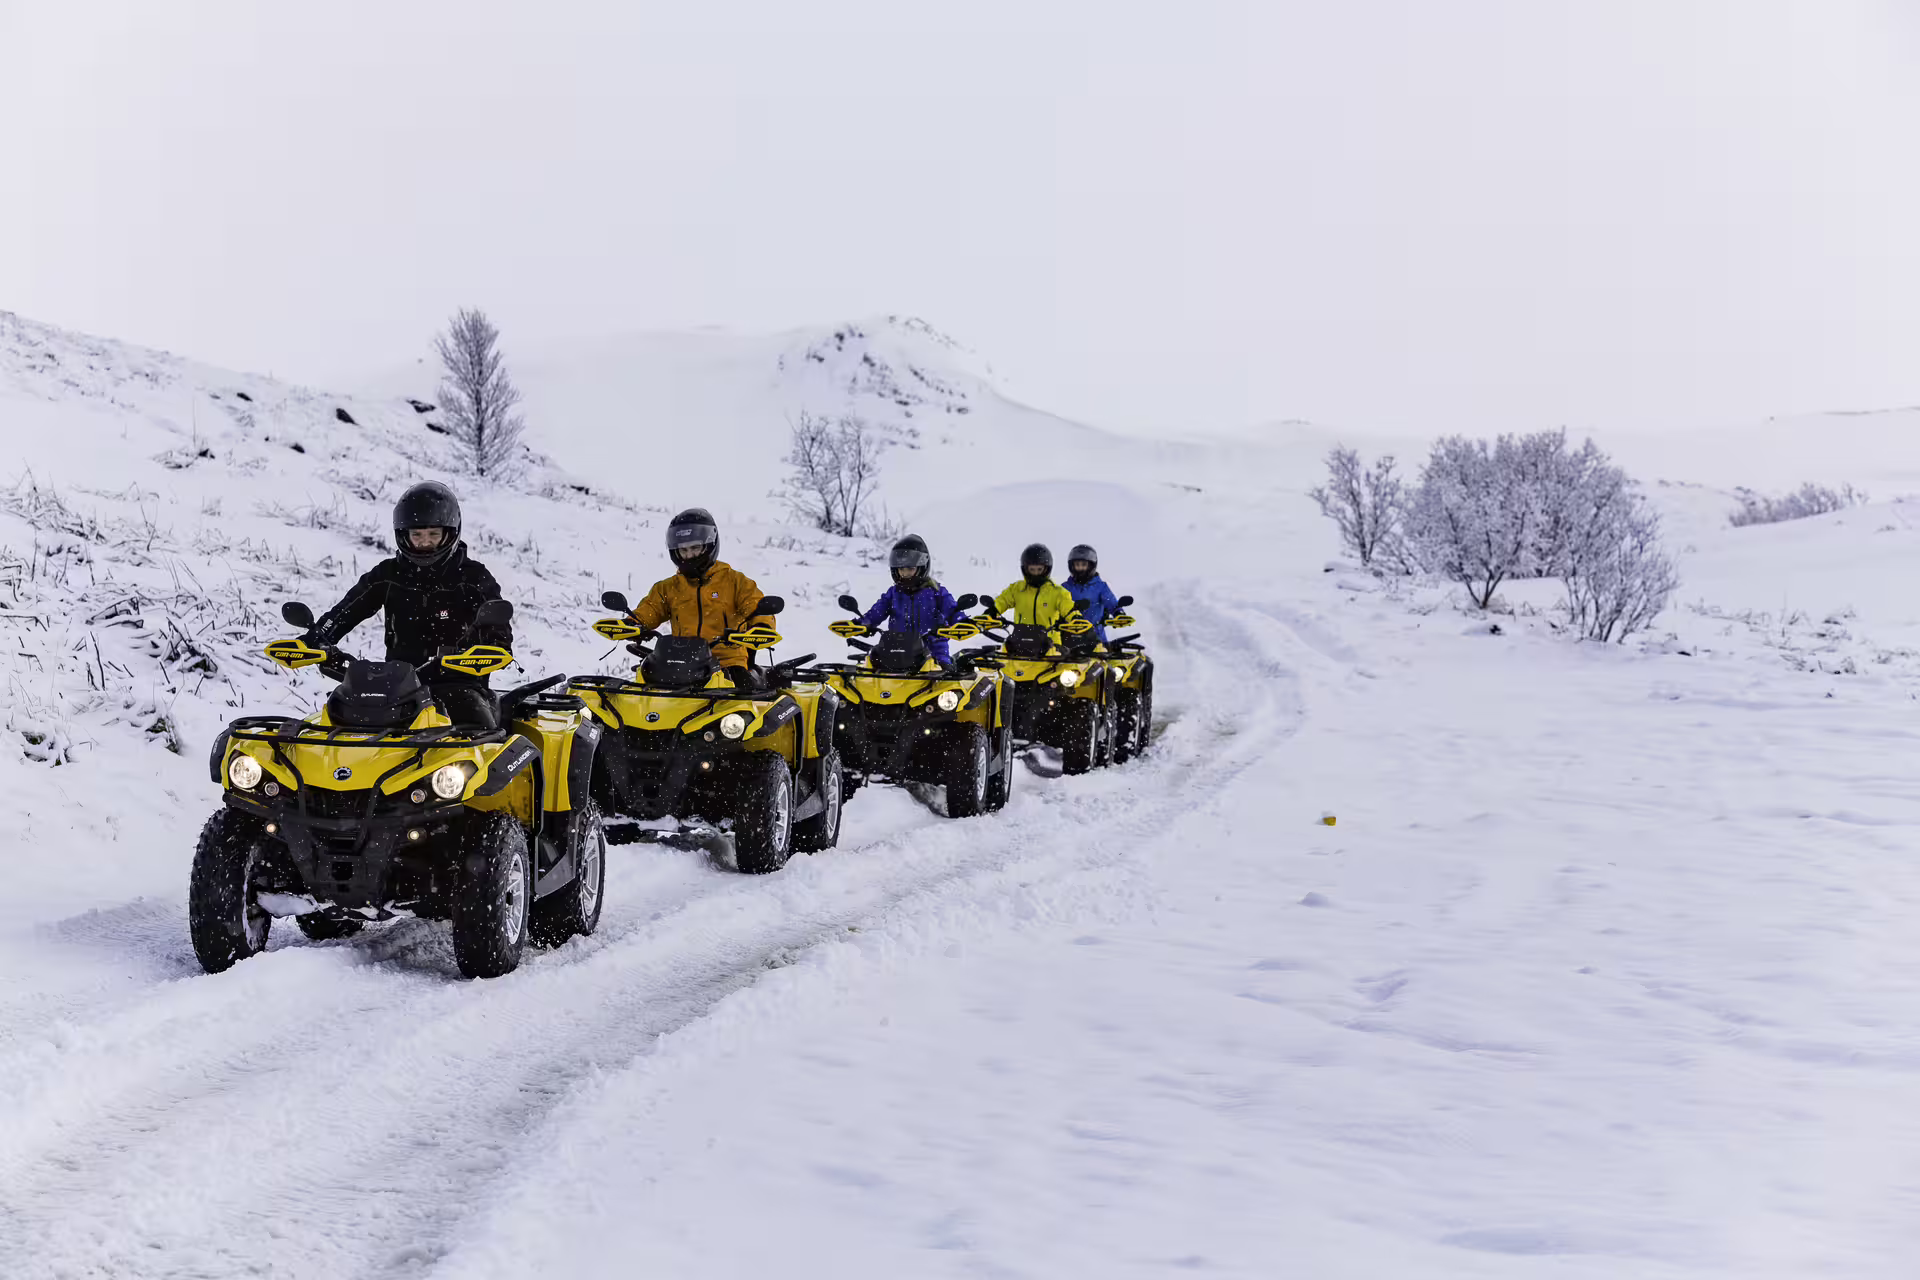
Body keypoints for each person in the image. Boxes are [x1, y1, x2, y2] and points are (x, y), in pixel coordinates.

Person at [308, 481, 511, 728]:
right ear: (404, 535)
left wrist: (491, 648)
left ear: (450, 533)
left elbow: (498, 627)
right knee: (338, 719)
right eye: (417, 535)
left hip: (459, 685)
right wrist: (317, 638)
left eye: (433, 535)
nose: (424, 543)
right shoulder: (388, 574)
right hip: (398, 688)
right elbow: (346, 611)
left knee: (475, 728)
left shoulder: (474, 578)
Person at [629, 507, 775, 688]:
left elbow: (755, 606)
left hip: (727, 664)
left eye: (695, 548)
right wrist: (633, 623)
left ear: (710, 544)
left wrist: (761, 627)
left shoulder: (735, 582)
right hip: (681, 664)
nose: (689, 555)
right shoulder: (668, 587)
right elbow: (650, 610)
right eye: (683, 550)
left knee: (746, 699)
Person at [856, 534, 967, 666]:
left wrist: (962, 622)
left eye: (910, 569)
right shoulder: (893, 593)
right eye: (901, 569)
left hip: (933, 654)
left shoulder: (936, 592)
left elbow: (952, 611)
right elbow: (876, 613)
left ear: (922, 567)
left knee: (945, 681)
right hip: (898, 652)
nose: (905, 573)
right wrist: (863, 624)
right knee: (870, 670)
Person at [992, 542, 1078, 640]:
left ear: (1046, 569)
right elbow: (1002, 601)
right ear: (1025, 569)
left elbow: (1068, 608)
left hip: (1050, 645)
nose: (1036, 573)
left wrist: (1076, 618)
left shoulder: (1058, 592)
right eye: (1032, 569)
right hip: (1021, 642)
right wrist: (992, 611)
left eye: (1039, 569)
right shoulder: (1017, 589)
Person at [1063, 543, 1122, 645]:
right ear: (1072, 566)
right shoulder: (1064, 588)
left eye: (1083, 565)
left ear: (1091, 565)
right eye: (1077, 565)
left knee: (1102, 660)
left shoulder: (1101, 587)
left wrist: (1118, 613)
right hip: (1068, 638)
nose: (1080, 568)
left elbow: (1111, 603)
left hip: (1095, 638)